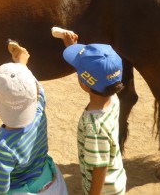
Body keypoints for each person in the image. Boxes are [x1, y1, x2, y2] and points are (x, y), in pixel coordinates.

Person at [0, 41, 68, 195]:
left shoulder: (1, 145)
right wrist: (22, 66)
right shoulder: (39, 110)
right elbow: (37, 88)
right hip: (50, 183)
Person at [57, 28, 127, 195]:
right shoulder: (113, 98)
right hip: (117, 178)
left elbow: (99, 168)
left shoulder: (94, 127)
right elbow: (95, 78)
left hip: (104, 191)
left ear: (85, 84)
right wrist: (75, 52)